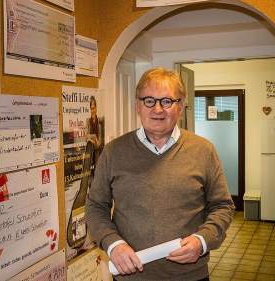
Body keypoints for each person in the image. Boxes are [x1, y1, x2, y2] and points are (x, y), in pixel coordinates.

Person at [85, 67, 235, 281]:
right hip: (131, 276)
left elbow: (223, 206)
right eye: (149, 101)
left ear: (180, 106)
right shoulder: (114, 152)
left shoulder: (204, 150)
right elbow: (95, 207)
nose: (157, 109)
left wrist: (202, 241)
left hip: (190, 276)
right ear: (138, 105)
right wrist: (113, 244)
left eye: (166, 101)